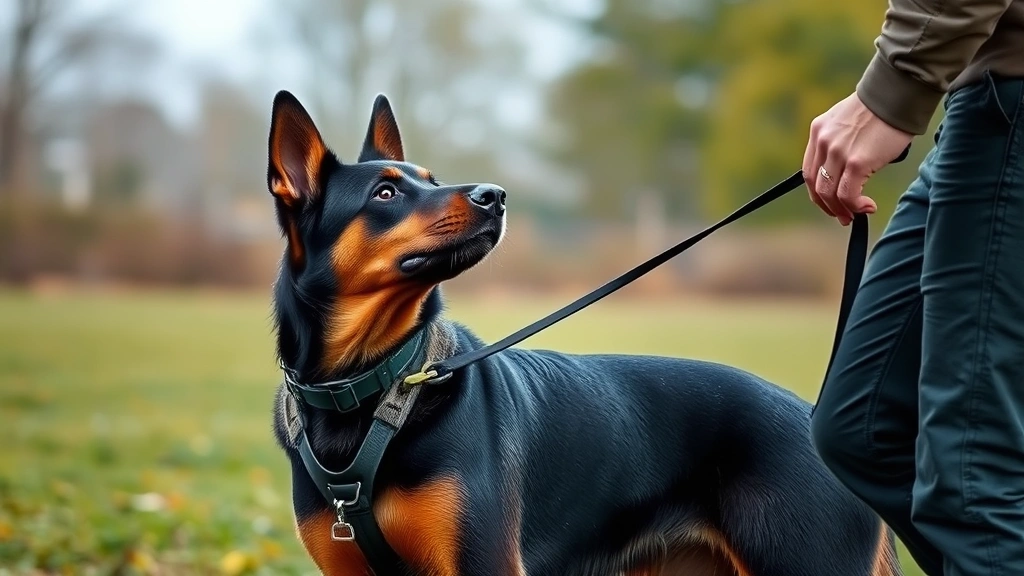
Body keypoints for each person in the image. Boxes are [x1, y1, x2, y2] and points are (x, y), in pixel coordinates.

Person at [803, 0, 1024, 574]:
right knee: (864, 427)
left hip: (1010, 101)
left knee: (971, 477)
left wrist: (893, 89)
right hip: (982, 98)